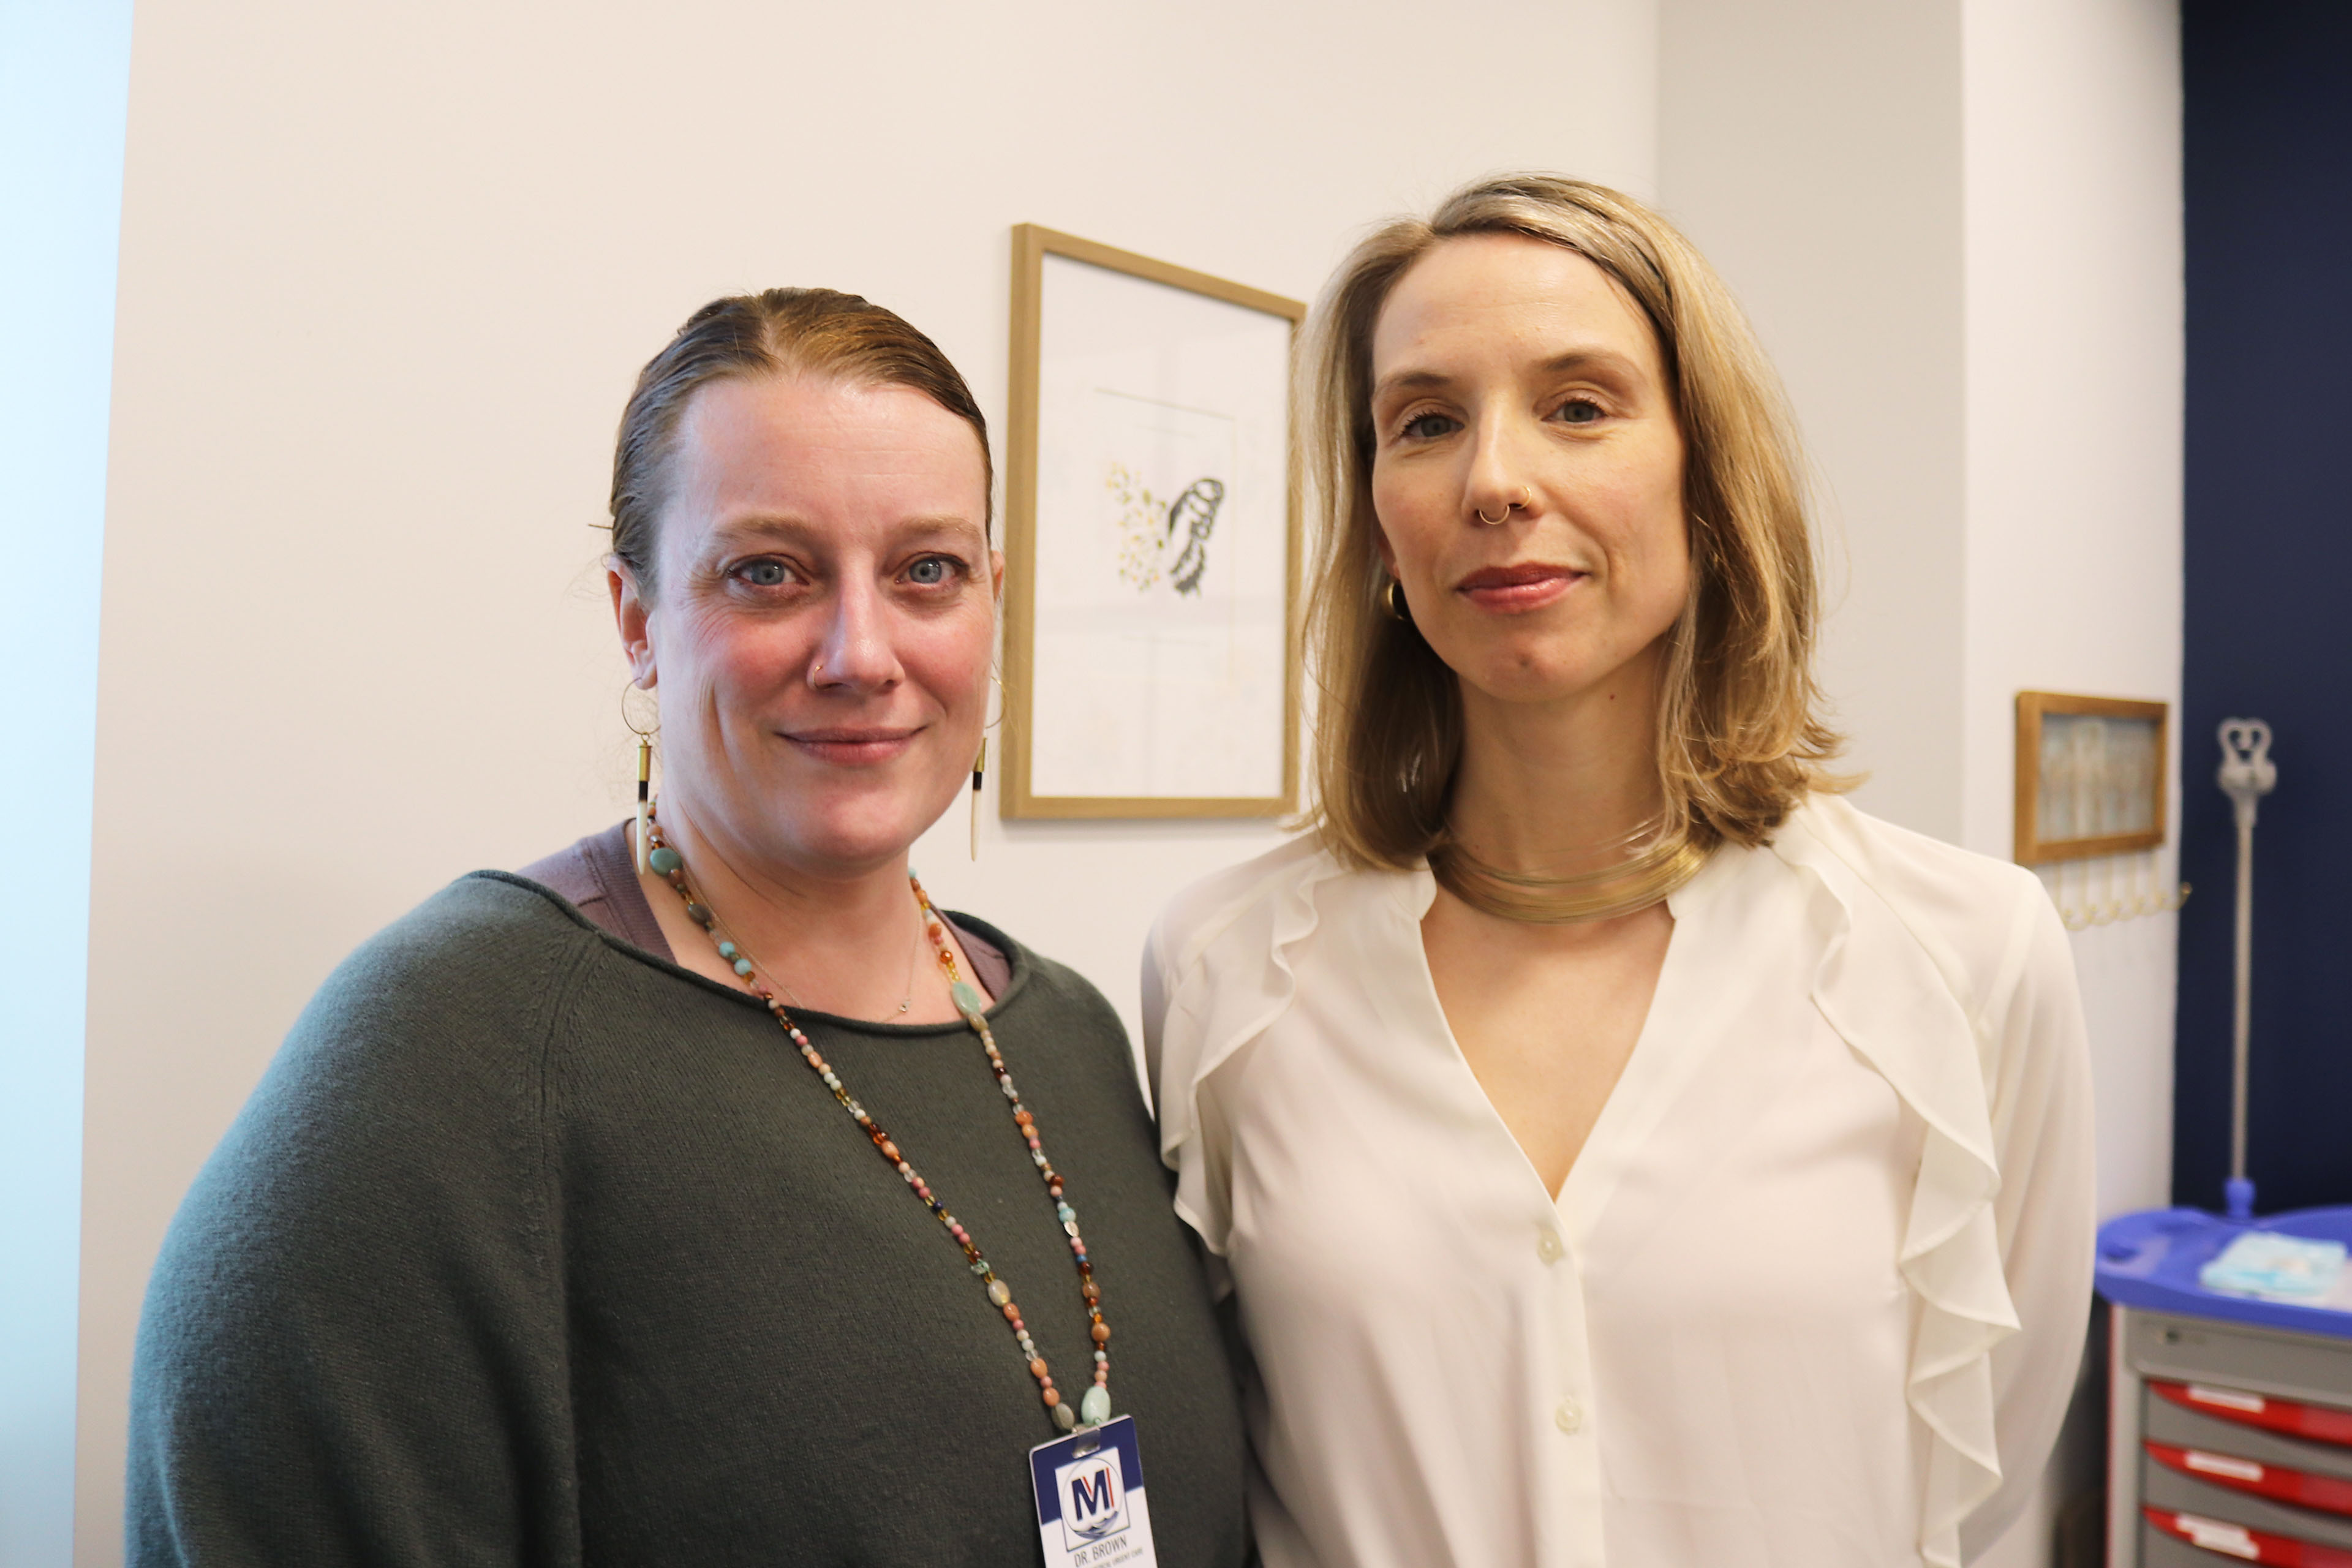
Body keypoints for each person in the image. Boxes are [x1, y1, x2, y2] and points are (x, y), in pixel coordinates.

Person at [130, 288, 1249, 1566]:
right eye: (768, 573)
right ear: (636, 618)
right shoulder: (446, 1060)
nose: (861, 652)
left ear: (992, 601)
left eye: (926, 572)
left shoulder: (1072, 1037)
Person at [1143, 175, 2094, 1568]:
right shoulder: (1222, 969)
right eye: (1425, 423)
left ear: (1707, 478)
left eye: (1579, 406)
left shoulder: (1966, 954)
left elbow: (1980, 1465)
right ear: (1380, 520)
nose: (1493, 481)